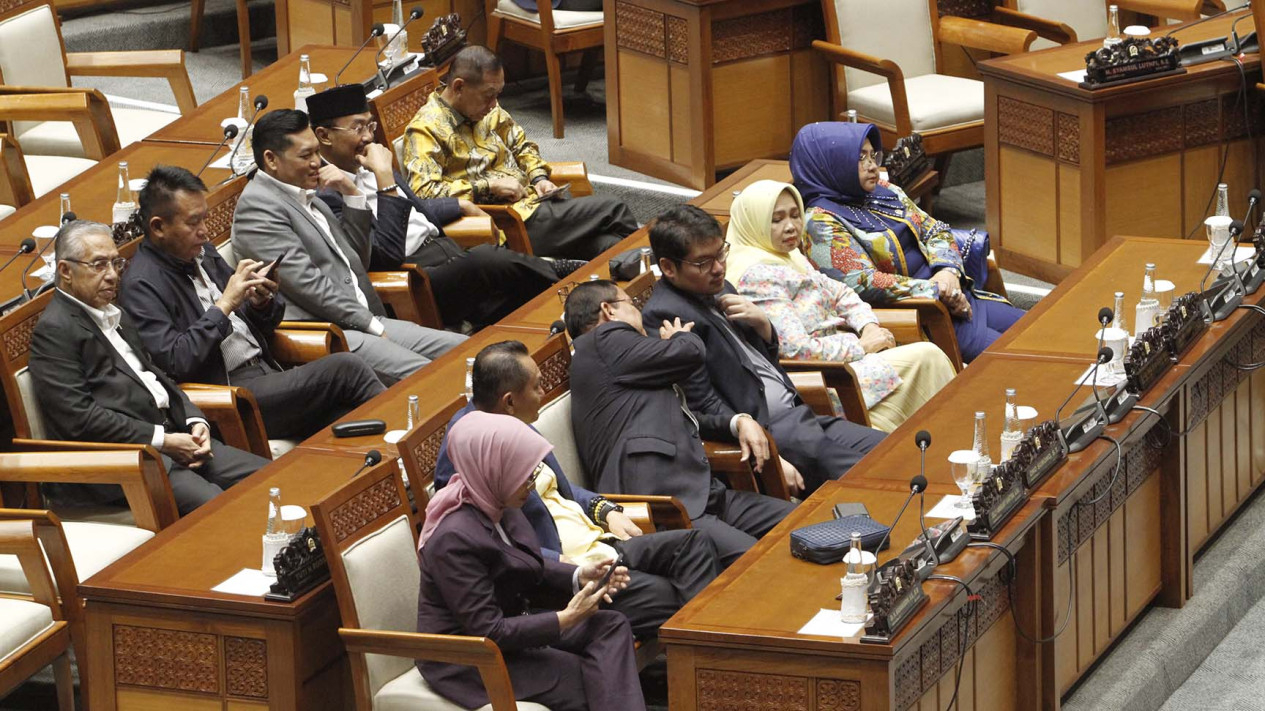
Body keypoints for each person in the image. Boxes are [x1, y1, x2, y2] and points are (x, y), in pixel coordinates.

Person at [432, 340, 722, 636]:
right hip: (562, 573)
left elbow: (556, 484)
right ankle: (703, 653)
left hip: (599, 543)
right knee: (672, 594)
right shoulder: (468, 447)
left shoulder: (514, 420)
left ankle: (701, 650)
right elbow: (489, 543)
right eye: (537, 386)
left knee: (694, 546)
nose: (544, 393)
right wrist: (560, 564)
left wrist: (603, 509)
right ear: (509, 401)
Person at [119, 165, 386, 442]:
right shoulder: (141, 285)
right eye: (193, 222)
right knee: (347, 368)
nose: (205, 232)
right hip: (230, 394)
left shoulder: (203, 253)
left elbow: (254, 326)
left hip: (267, 370)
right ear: (158, 227)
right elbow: (176, 363)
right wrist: (224, 306)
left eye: (205, 219)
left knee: (347, 415)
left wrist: (260, 303)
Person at [29, 221, 269, 515]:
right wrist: (162, 440)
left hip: (174, 439)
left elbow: (156, 375)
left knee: (271, 480)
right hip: (126, 462)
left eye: (116, 263)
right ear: (65, 271)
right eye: (99, 265)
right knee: (223, 509)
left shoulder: (114, 313)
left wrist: (195, 420)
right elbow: (79, 418)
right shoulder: (54, 330)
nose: (112, 275)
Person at [641, 205, 886, 493]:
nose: (718, 268)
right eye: (703, 262)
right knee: (878, 480)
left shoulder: (720, 286)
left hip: (800, 416)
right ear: (669, 267)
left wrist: (763, 326)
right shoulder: (666, 318)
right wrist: (772, 455)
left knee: (895, 449)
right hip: (771, 433)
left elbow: (760, 364)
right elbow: (699, 405)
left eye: (721, 254)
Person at [417, 411, 646, 711]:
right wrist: (566, 618)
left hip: (516, 620)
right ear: (493, 469)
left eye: (532, 471)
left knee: (610, 625)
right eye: (523, 473)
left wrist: (579, 574)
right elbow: (489, 631)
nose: (532, 482)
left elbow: (524, 561)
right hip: (469, 658)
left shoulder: (500, 500)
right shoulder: (453, 539)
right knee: (591, 679)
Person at [565, 280, 796, 566]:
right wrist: (679, 337)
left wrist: (738, 422)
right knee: (764, 562)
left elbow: (684, 415)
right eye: (631, 304)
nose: (638, 312)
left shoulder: (618, 359)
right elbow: (690, 353)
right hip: (666, 505)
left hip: (703, 493)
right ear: (608, 310)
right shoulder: (603, 340)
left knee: (803, 522)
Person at [230, 109, 466, 385]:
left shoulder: (304, 193)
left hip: (363, 318)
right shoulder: (258, 208)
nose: (317, 162)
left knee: (468, 352)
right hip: (328, 333)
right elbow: (310, 286)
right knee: (441, 378)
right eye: (305, 156)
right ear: (271, 159)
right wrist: (370, 324)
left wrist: (352, 194)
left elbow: (357, 260)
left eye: (316, 152)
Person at [306, 84, 564, 329]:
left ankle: (573, 301)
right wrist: (385, 179)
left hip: (446, 252)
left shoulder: (368, 162)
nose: (368, 137)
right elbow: (386, 255)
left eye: (369, 125)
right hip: (415, 278)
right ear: (324, 136)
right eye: (357, 128)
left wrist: (458, 204)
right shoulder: (325, 194)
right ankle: (566, 273)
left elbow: (415, 208)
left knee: (525, 298)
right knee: (487, 258)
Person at [724, 180, 955, 433]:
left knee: (935, 374)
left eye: (795, 215)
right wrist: (862, 346)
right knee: (929, 359)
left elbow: (841, 293)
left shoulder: (789, 256)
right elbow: (797, 350)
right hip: (829, 378)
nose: (790, 226)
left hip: (849, 360)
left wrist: (868, 326)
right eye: (776, 220)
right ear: (753, 223)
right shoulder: (756, 277)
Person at [790, 121, 1025, 362]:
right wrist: (936, 290)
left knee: (1034, 329)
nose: (872, 166)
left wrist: (948, 271)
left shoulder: (884, 190)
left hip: (958, 295)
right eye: (860, 158)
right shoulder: (820, 222)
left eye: (873, 155)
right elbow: (862, 282)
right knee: (1017, 358)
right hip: (922, 315)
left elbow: (934, 229)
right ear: (832, 163)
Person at [402, 45, 639, 260]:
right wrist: (489, 186)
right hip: (506, 222)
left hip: (534, 204)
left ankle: (635, 277)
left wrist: (539, 178)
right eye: (488, 95)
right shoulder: (426, 129)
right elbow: (424, 194)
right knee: (614, 209)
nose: (494, 104)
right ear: (459, 87)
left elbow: (521, 145)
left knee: (609, 244)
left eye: (498, 94)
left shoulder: (487, 110)